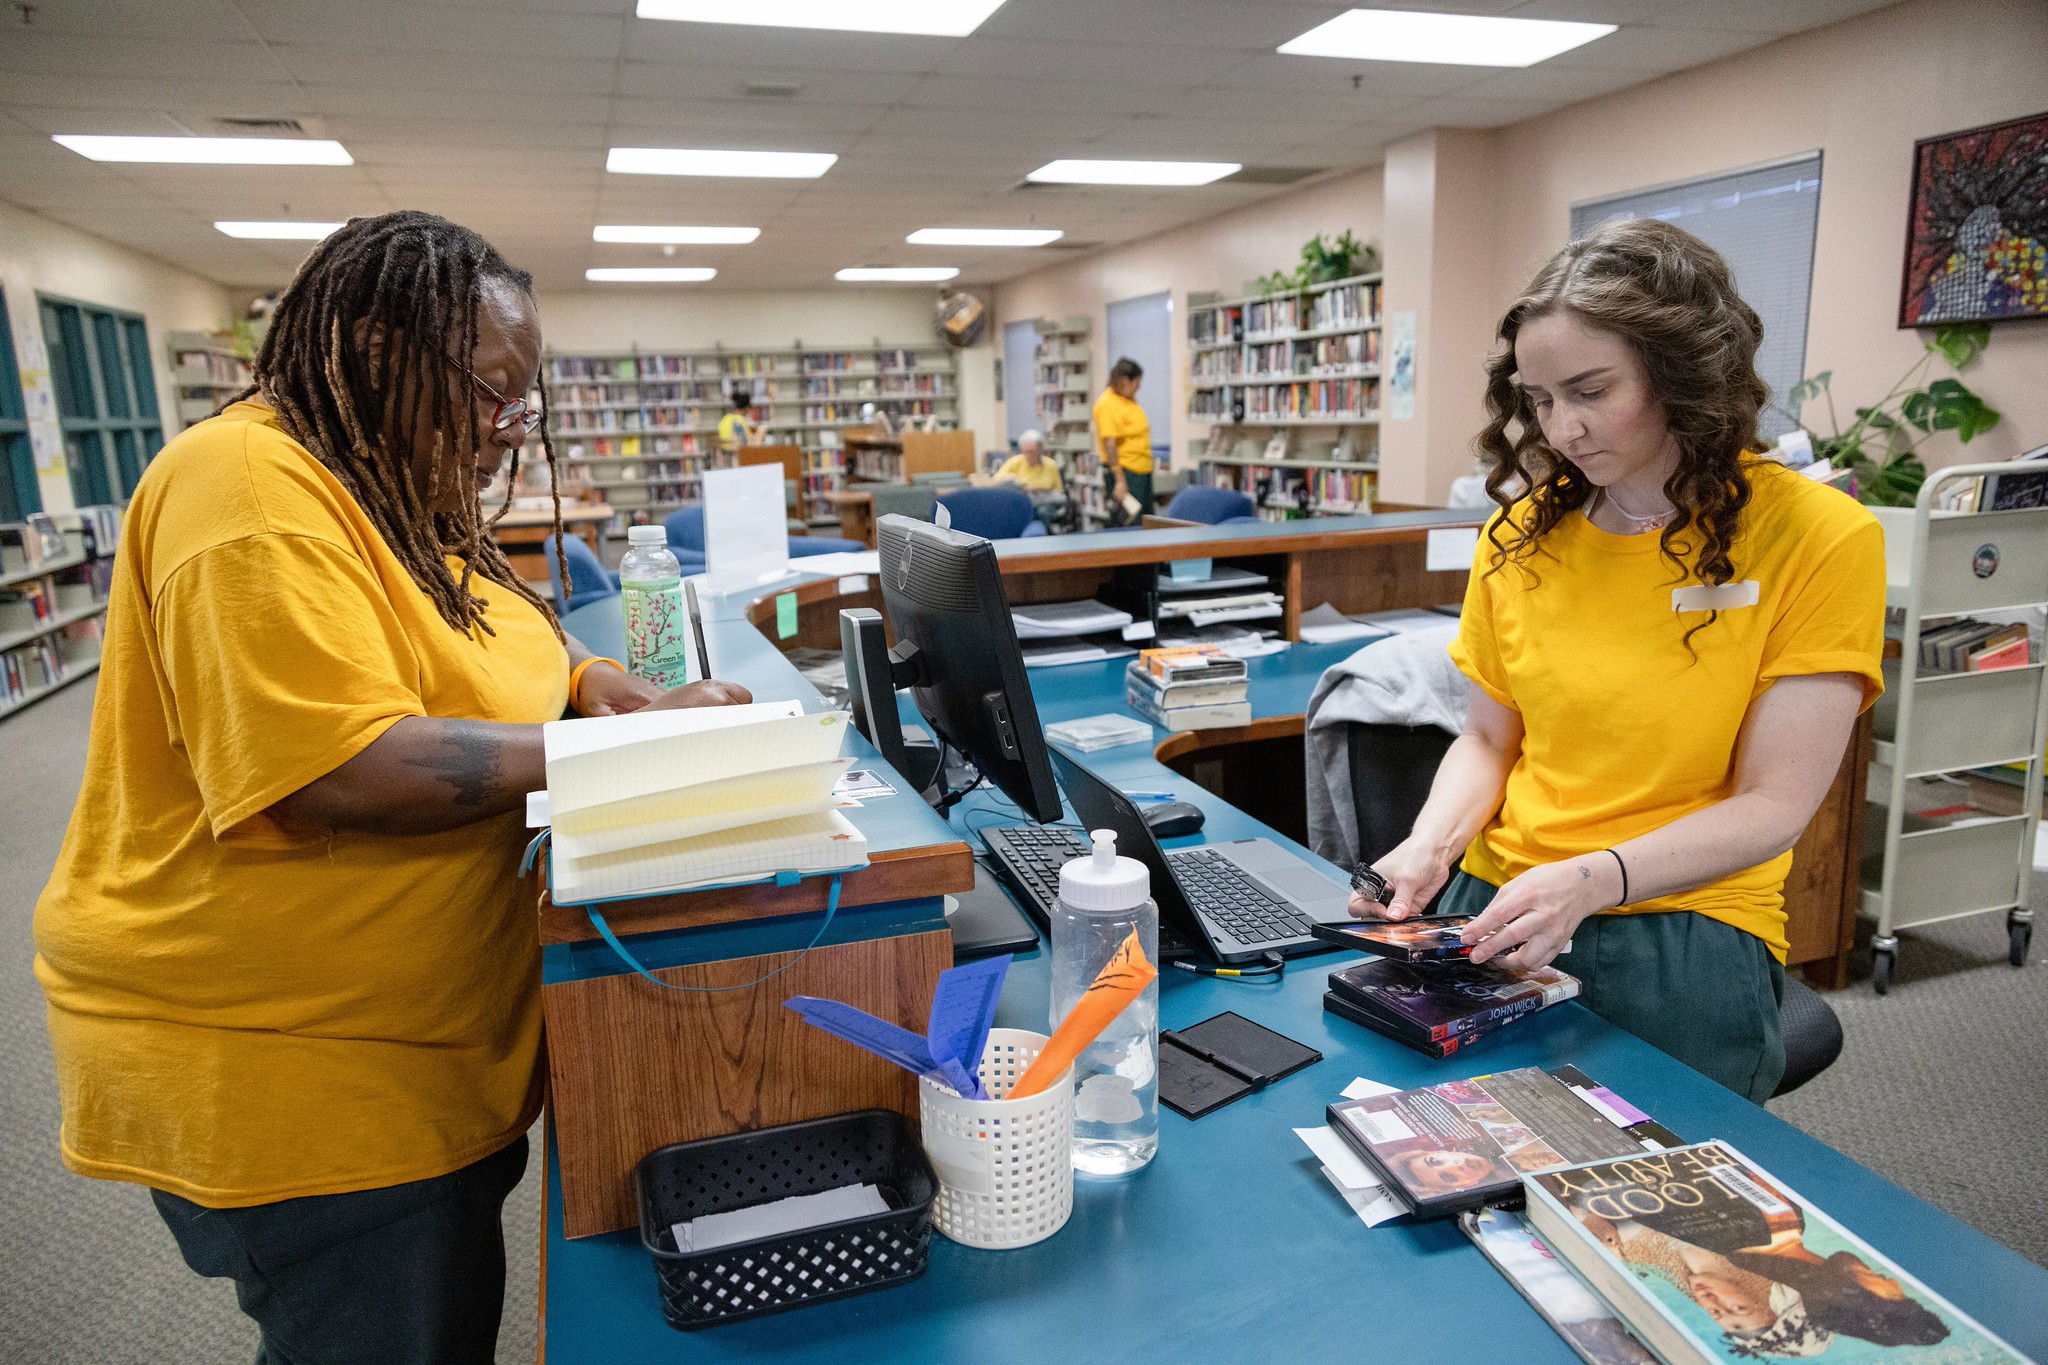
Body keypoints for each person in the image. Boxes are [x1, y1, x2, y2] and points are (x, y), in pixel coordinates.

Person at [33, 210, 750, 1365]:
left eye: (525, 404)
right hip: (293, 1064)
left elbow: (487, 636)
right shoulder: (244, 484)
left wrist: (592, 680)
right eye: (489, 393)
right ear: (374, 350)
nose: (505, 430)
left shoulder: (389, 478)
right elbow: (336, 768)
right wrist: (628, 750)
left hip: (411, 1048)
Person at [1353, 217, 1885, 1103]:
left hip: (1682, 922)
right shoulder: (1519, 536)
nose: (1562, 428)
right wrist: (1427, 845)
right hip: (1498, 904)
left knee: (1640, 1201)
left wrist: (1595, 879)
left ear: (1682, 374)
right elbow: (1490, 740)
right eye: (1539, 398)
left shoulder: (1819, 536)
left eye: (1590, 391)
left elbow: (1774, 806)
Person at [1093, 356, 1154, 521]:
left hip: (1141, 471)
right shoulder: (1108, 403)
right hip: (1126, 473)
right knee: (1131, 524)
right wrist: (1119, 480)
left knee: (1146, 522)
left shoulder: (1127, 400)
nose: (1138, 388)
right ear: (1125, 381)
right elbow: (1109, 444)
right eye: (1137, 383)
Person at [992, 429, 1064, 494]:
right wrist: (1010, 478)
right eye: (1026, 452)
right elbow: (996, 480)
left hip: (1043, 501)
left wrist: (1035, 488)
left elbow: (1059, 491)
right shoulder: (1015, 461)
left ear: (1040, 450)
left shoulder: (1050, 464)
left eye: (1033, 452)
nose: (1029, 455)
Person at [717, 385, 757, 453]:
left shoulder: (725, 418)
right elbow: (744, 443)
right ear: (747, 408)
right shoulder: (739, 421)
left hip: (726, 453)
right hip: (737, 454)